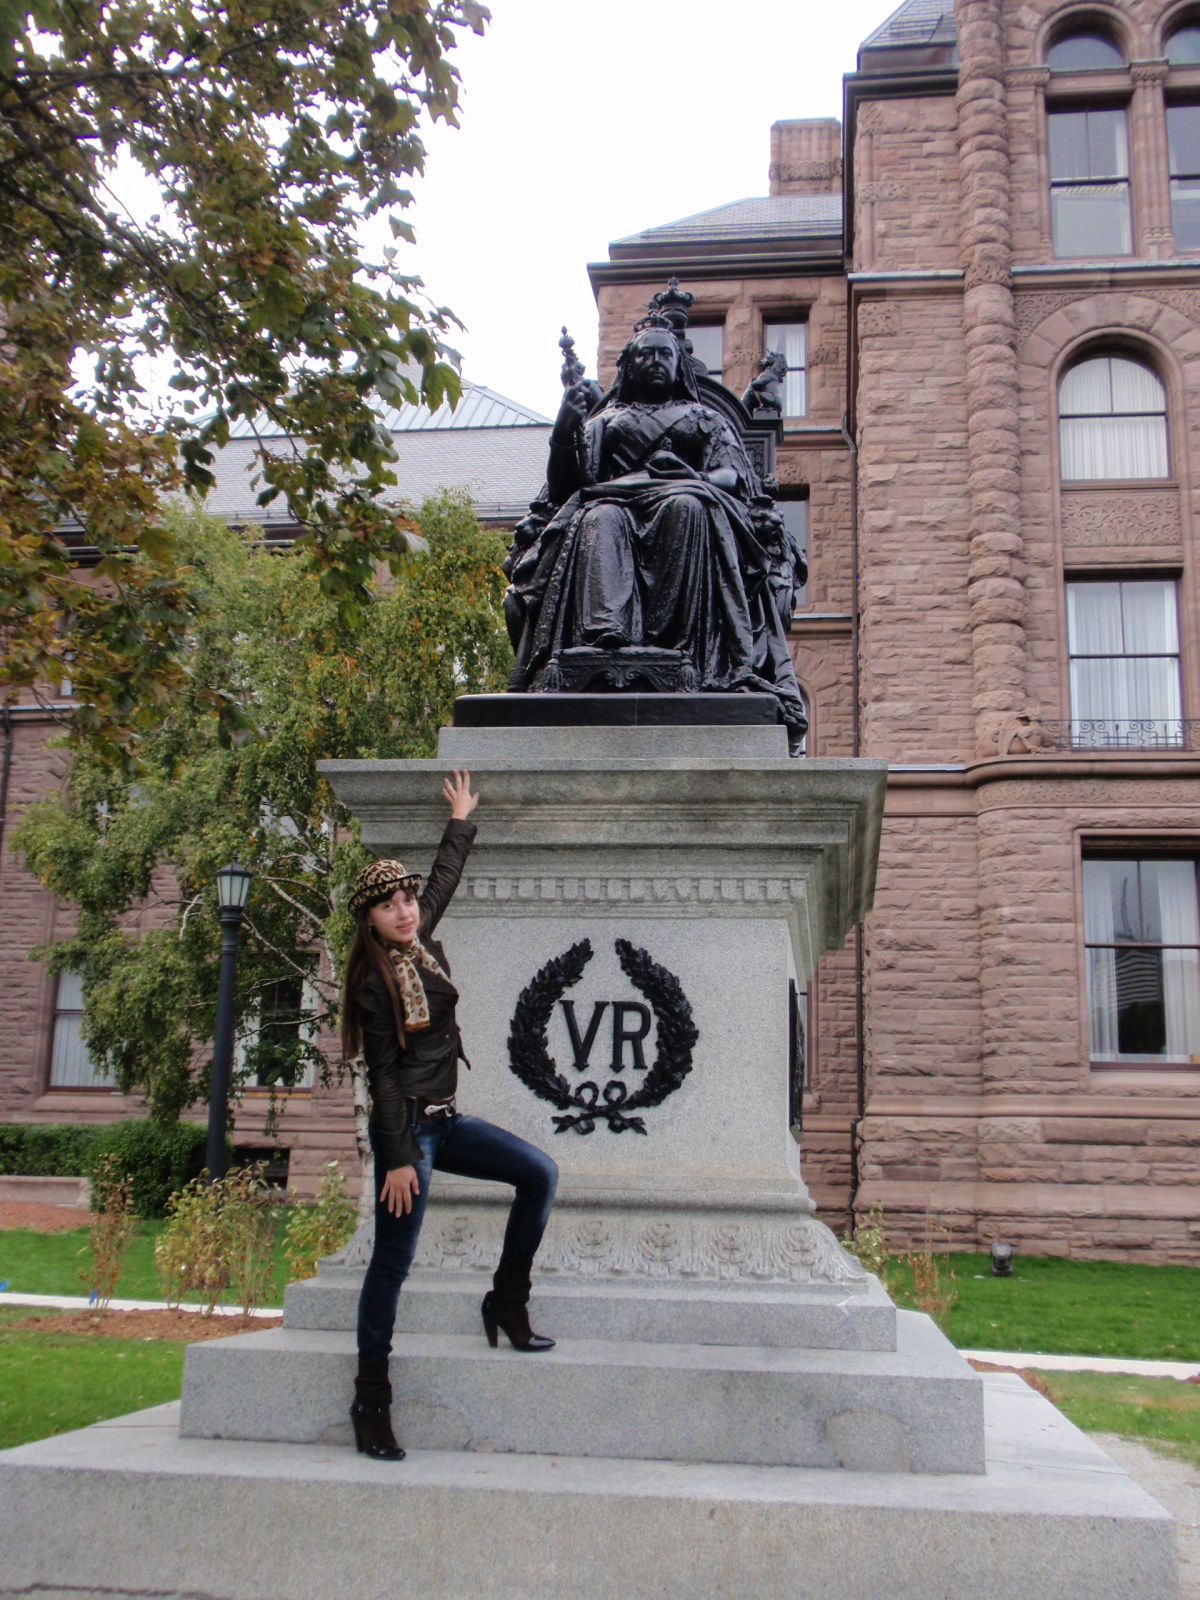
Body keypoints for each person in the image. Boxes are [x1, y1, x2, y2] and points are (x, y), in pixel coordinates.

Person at [340, 770, 559, 1461]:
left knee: (539, 1174)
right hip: (409, 1131)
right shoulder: (374, 982)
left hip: (445, 1120)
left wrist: (460, 819)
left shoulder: (420, 942)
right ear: (370, 920)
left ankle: (507, 1302)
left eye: (405, 900)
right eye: (390, 906)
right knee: (392, 1263)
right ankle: (371, 1400)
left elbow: (441, 883)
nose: (405, 911)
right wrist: (398, 1158)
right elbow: (381, 1076)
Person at [504, 323, 808, 752]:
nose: (656, 361)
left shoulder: (705, 418)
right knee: (600, 517)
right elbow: (565, 488)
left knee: (687, 507)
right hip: (611, 502)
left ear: (678, 365)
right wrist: (563, 429)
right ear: (629, 366)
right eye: (645, 354)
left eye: (665, 354)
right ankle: (606, 638)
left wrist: (693, 476)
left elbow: (732, 474)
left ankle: (674, 645)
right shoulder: (603, 421)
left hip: (682, 501)